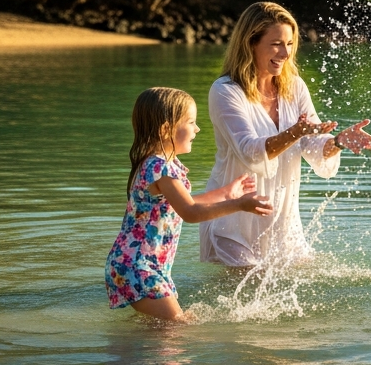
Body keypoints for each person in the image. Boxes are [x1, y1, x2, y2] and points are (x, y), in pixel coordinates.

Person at [201, 1, 371, 267]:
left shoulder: (294, 87)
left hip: (284, 226)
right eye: (276, 44)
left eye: (290, 43)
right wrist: (295, 132)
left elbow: (315, 146)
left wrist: (338, 142)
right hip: (234, 223)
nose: (285, 53)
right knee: (245, 296)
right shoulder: (226, 91)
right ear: (250, 43)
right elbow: (250, 151)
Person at [105, 87, 273, 321]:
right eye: (191, 122)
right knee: (177, 328)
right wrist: (240, 205)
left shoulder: (160, 165)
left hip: (139, 265)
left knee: (165, 330)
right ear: (166, 129)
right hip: (139, 268)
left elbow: (188, 202)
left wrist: (227, 193)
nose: (197, 129)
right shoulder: (160, 168)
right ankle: (130, 356)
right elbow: (191, 213)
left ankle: (131, 355)